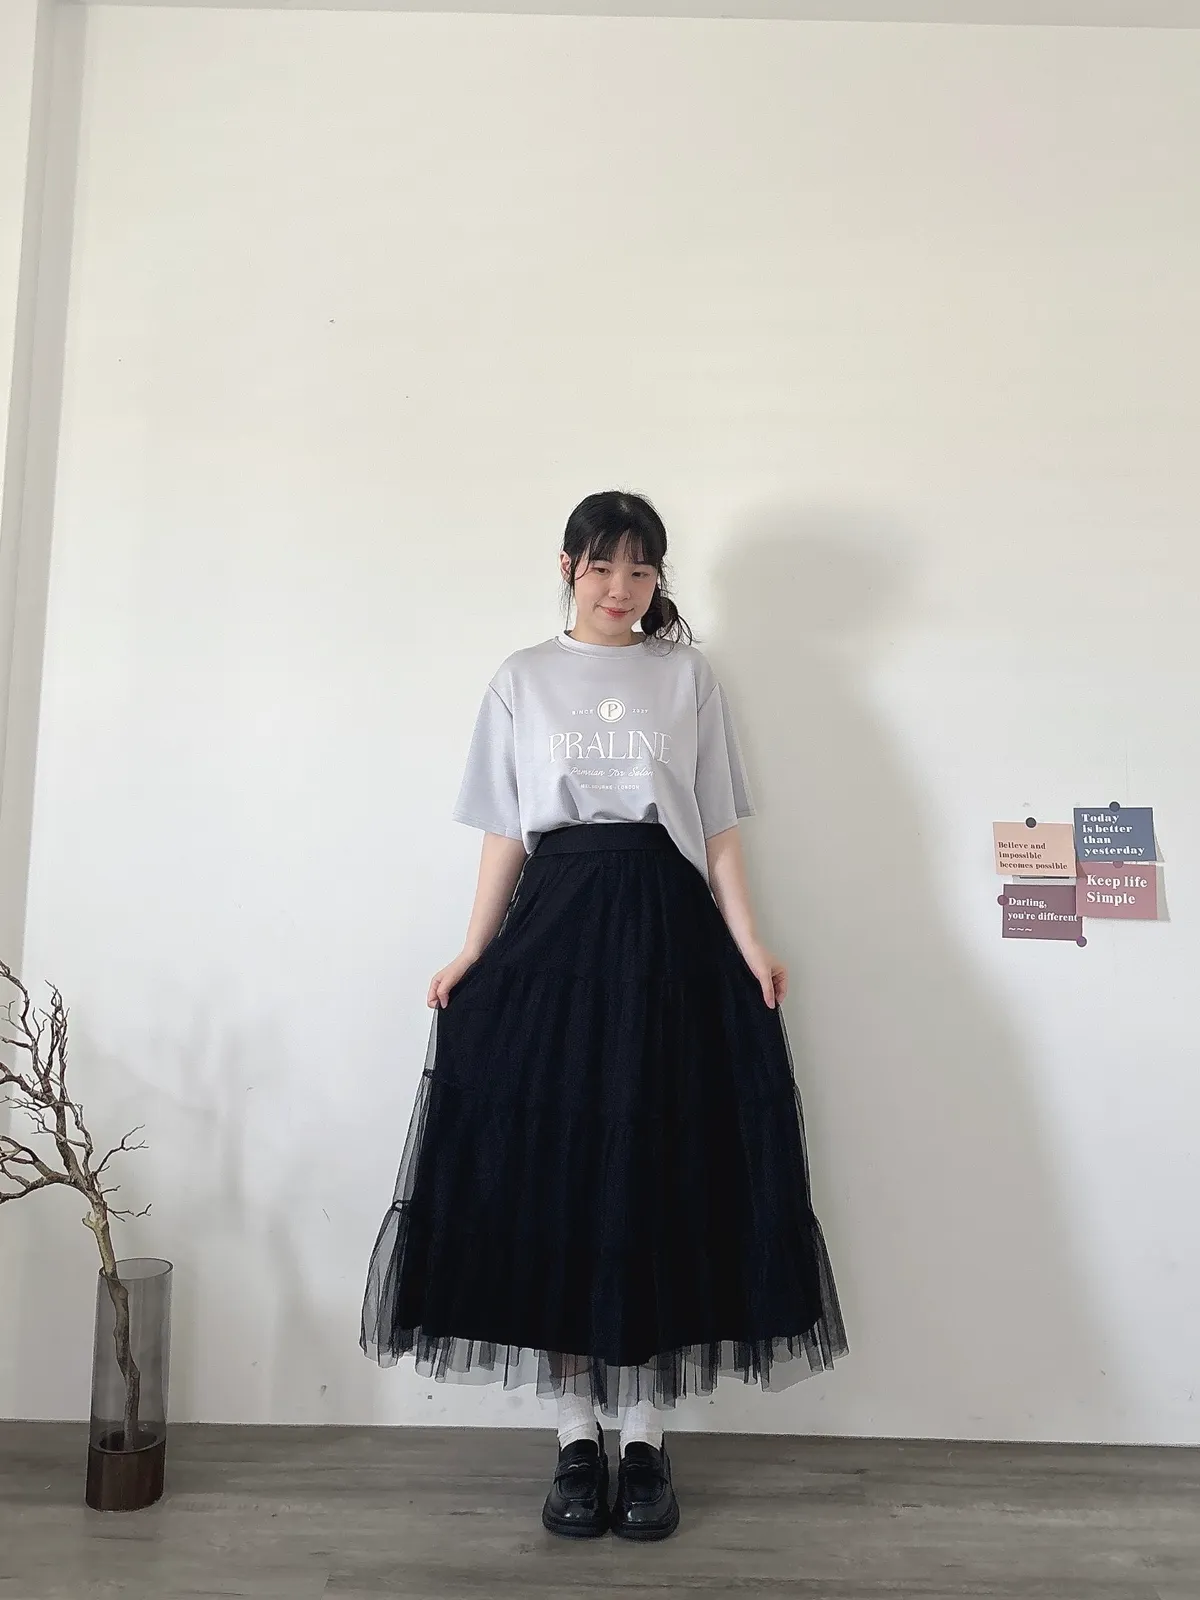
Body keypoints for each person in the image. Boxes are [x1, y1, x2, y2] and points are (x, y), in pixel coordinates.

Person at [361, 489, 847, 1541]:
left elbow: (717, 826)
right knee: (559, 1177)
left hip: (667, 933)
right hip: (556, 932)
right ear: (568, 567)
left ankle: (646, 1438)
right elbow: (505, 828)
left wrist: (751, 943)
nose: (621, 587)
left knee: (660, 1173)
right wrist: (473, 950)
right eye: (602, 567)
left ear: (658, 577)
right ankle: (575, 1435)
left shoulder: (687, 677)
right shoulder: (521, 678)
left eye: (640, 569)